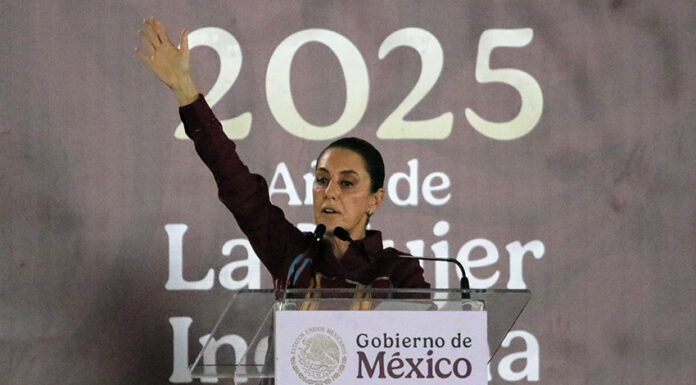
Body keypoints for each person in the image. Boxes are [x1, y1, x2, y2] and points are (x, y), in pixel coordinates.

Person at [136, 17, 429, 291]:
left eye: (347, 183)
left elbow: (423, 344)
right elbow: (237, 185)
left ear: (374, 200)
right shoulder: (293, 254)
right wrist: (184, 89)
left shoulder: (398, 272)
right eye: (322, 179)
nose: (329, 192)